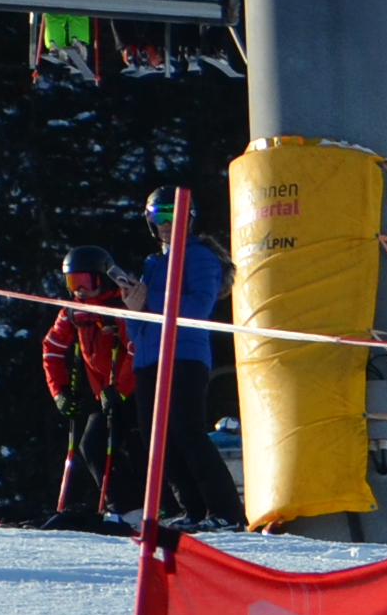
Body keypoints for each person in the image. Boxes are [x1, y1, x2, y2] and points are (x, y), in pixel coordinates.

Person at [123, 184, 239, 525]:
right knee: (158, 440)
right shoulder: (153, 263)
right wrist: (133, 307)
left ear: (188, 218)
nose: (165, 223)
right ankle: (194, 510)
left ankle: (226, 512)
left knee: (187, 432)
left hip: (184, 355)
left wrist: (148, 299)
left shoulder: (199, 256)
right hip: (149, 358)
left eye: (173, 215)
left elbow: (198, 307)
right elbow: (138, 328)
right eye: (158, 215)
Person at [40, 245, 135, 522]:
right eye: (73, 282)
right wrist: (59, 392)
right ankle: (126, 507)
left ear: (103, 279)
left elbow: (136, 349)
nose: (79, 290)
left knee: (137, 446)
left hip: (133, 390)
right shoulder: (73, 311)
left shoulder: (121, 306)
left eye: (86, 282)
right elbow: (52, 349)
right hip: (103, 394)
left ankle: (155, 506)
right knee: (92, 446)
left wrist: (120, 390)